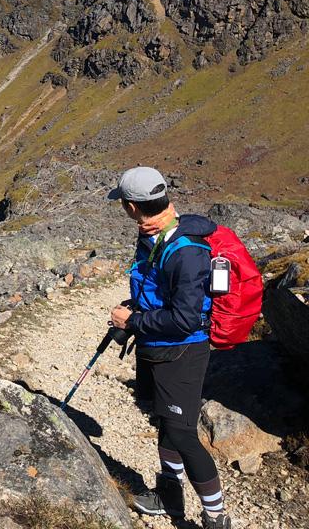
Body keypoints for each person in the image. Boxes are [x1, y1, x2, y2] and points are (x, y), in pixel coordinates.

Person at [107, 166, 231, 529]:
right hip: (157, 347)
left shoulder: (184, 251)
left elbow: (185, 319)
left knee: (182, 433)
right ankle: (169, 498)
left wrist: (131, 322)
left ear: (132, 206)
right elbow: (158, 292)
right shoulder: (153, 236)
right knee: (166, 420)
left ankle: (216, 517)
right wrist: (136, 309)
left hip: (182, 351)